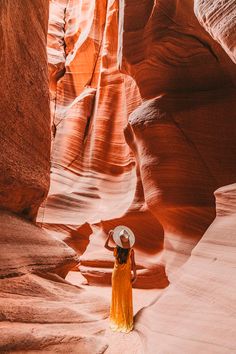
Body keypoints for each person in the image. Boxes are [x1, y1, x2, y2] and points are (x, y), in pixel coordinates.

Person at [104, 226, 137, 333]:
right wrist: (135, 275)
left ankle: (117, 319)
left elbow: (105, 246)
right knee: (125, 296)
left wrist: (109, 236)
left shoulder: (116, 249)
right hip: (125, 277)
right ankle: (125, 319)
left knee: (117, 296)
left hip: (116, 275)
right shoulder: (131, 251)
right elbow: (134, 264)